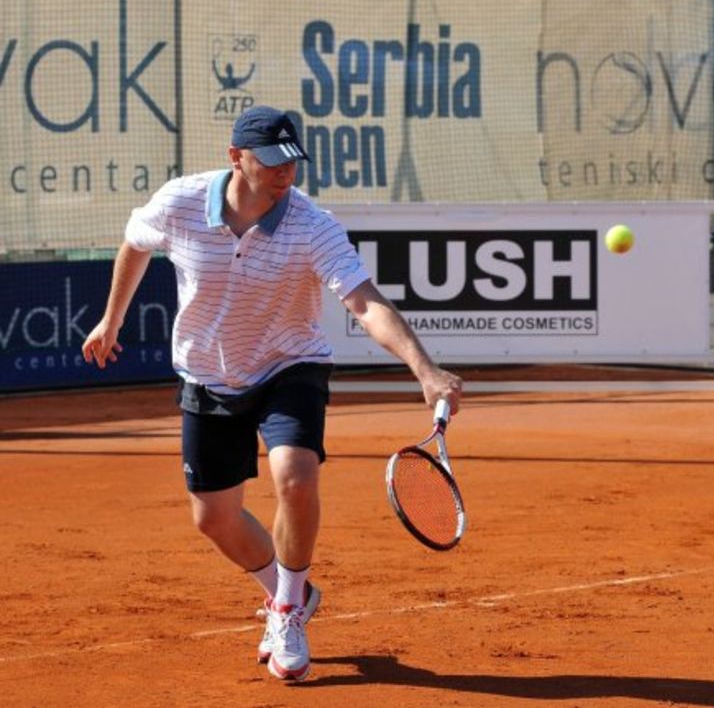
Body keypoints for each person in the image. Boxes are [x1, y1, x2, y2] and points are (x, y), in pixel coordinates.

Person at [81, 105, 463, 682]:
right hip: (208, 373)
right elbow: (135, 245)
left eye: (294, 160)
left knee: (295, 476)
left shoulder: (313, 225)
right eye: (274, 160)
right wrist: (111, 321)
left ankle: (285, 610)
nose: (287, 171)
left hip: (290, 364)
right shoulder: (180, 202)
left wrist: (425, 369)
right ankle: (291, 590)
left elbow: (363, 300)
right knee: (214, 517)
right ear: (237, 158)